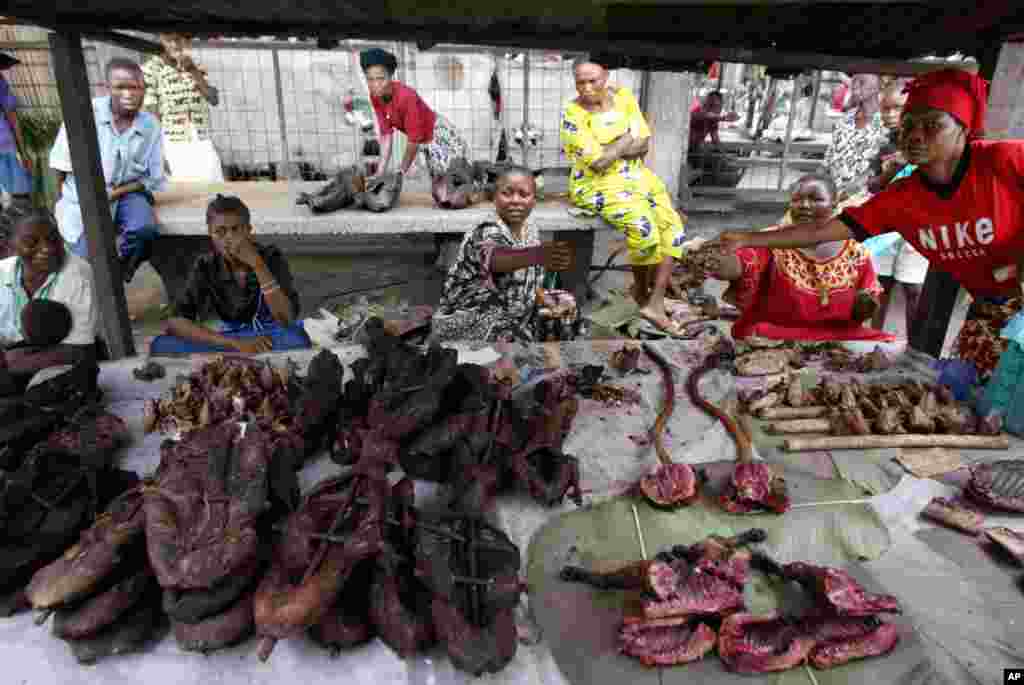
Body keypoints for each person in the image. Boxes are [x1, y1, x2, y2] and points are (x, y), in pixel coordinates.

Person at [714, 69, 1023, 381]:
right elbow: (821, 231)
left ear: (963, 128)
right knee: (981, 395)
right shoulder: (902, 198)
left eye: (932, 125)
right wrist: (746, 238)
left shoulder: (1005, 160)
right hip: (990, 311)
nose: (916, 135)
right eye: (908, 125)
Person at [560, 56, 688, 336]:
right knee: (645, 230)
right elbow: (598, 163)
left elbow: (644, 145)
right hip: (596, 184)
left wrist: (612, 147)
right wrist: (626, 137)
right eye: (580, 82)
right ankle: (641, 293)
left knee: (673, 229)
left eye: (592, 81)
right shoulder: (572, 114)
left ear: (605, 77)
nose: (586, 88)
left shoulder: (624, 97)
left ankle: (655, 302)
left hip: (637, 176)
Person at [708, 174, 892, 342]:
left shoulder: (856, 252)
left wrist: (863, 306)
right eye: (797, 200)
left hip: (835, 333)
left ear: (835, 202)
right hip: (778, 332)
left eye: (816, 199)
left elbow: (866, 305)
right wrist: (715, 259)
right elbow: (739, 264)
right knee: (760, 334)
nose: (804, 205)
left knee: (885, 341)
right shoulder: (769, 241)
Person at [149, 194, 310, 355]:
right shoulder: (206, 265)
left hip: (268, 336)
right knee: (162, 344)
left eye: (236, 229)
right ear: (210, 234)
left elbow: (286, 319)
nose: (229, 238)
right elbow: (176, 321)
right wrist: (233, 343)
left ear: (248, 230)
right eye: (220, 232)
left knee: (295, 338)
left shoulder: (270, 257)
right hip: (229, 338)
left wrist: (258, 266)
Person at [50, 57, 165, 282]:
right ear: (107, 88)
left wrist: (116, 193)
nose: (129, 94)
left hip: (127, 192)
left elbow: (153, 177)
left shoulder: (150, 124)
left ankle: (122, 271)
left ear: (144, 89)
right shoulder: (84, 115)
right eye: (120, 87)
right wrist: (63, 203)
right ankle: (103, 282)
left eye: (135, 87)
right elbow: (60, 166)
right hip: (85, 195)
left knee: (144, 229)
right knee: (87, 256)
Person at [431, 166, 574, 342]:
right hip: (469, 317)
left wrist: (542, 296)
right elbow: (495, 259)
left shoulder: (529, 227)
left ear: (534, 200)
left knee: (566, 303)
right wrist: (538, 255)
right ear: (495, 198)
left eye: (524, 194)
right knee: (509, 334)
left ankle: (550, 349)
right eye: (507, 193)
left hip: (511, 310)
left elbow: (527, 279)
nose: (515, 200)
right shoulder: (487, 228)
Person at [0, 210, 97, 395]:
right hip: (14, 360)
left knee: (46, 391)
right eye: (31, 242)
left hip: (61, 362)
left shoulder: (77, 274)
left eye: (53, 239)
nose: (47, 248)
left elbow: (80, 351)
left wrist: (10, 364)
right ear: (10, 245)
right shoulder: (2, 273)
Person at [359, 48, 471, 207]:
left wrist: (401, 171)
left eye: (381, 78)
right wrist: (380, 172)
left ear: (391, 77)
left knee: (454, 187)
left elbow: (414, 141)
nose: (375, 85)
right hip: (425, 141)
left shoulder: (406, 97)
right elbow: (386, 134)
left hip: (439, 135)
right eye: (370, 79)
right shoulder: (375, 97)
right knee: (441, 195)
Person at [868, 78, 929, 336]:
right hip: (887, 226)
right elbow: (873, 186)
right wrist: (891, 170)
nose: (890, 115)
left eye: (897, 108)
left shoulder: (929, 145)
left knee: (914, 286)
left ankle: (914, 345)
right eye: (885, 108)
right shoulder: (886, 147)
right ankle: (874, 336)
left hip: (918, 226)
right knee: (880, 283)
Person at [142, 33, 224, 182]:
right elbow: (151, 111)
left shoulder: (194, 65)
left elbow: (213, 99)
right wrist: (158, 150)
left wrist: (193, 70)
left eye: (179, 40)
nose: (175, 45)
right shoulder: (151, 69)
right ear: (161, 40)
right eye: (169, 40)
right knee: (187, 186)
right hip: (174, 141)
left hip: (201, 138)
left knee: (213, 183)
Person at [822, 73, 888, 200]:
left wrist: (853, 189)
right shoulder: (846, 118)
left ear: (880, 84)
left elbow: (885, 166)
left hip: (866, 198)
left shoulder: (887, 121)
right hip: (834, 194)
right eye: (854, 80)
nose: (856, 85)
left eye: (862, 81)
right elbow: (828, 160)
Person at [0, 55, 32, 206]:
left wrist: (23, 153)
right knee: (18, 200)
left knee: (17, 200)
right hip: (6, 148)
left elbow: (11, 117)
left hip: (6, 149)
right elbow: (12, 117)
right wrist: (23, 153)